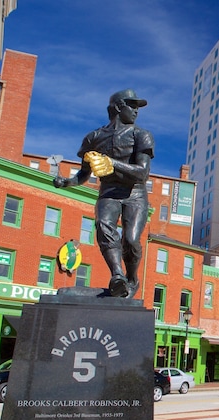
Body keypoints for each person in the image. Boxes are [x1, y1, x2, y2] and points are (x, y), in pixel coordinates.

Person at [54, 89, 154, 298]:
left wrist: (111, 163)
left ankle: (131, 278)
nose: (136, 111)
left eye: (137, 107)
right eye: (131, 105)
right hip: (109, 192)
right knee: (103, 225)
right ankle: (117, 275)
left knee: (131, 239)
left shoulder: (141, 135)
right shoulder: (94, 138)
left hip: (135, 194)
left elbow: (142, 173)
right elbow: (83, 173)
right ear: (118, 107)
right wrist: (67, 182)